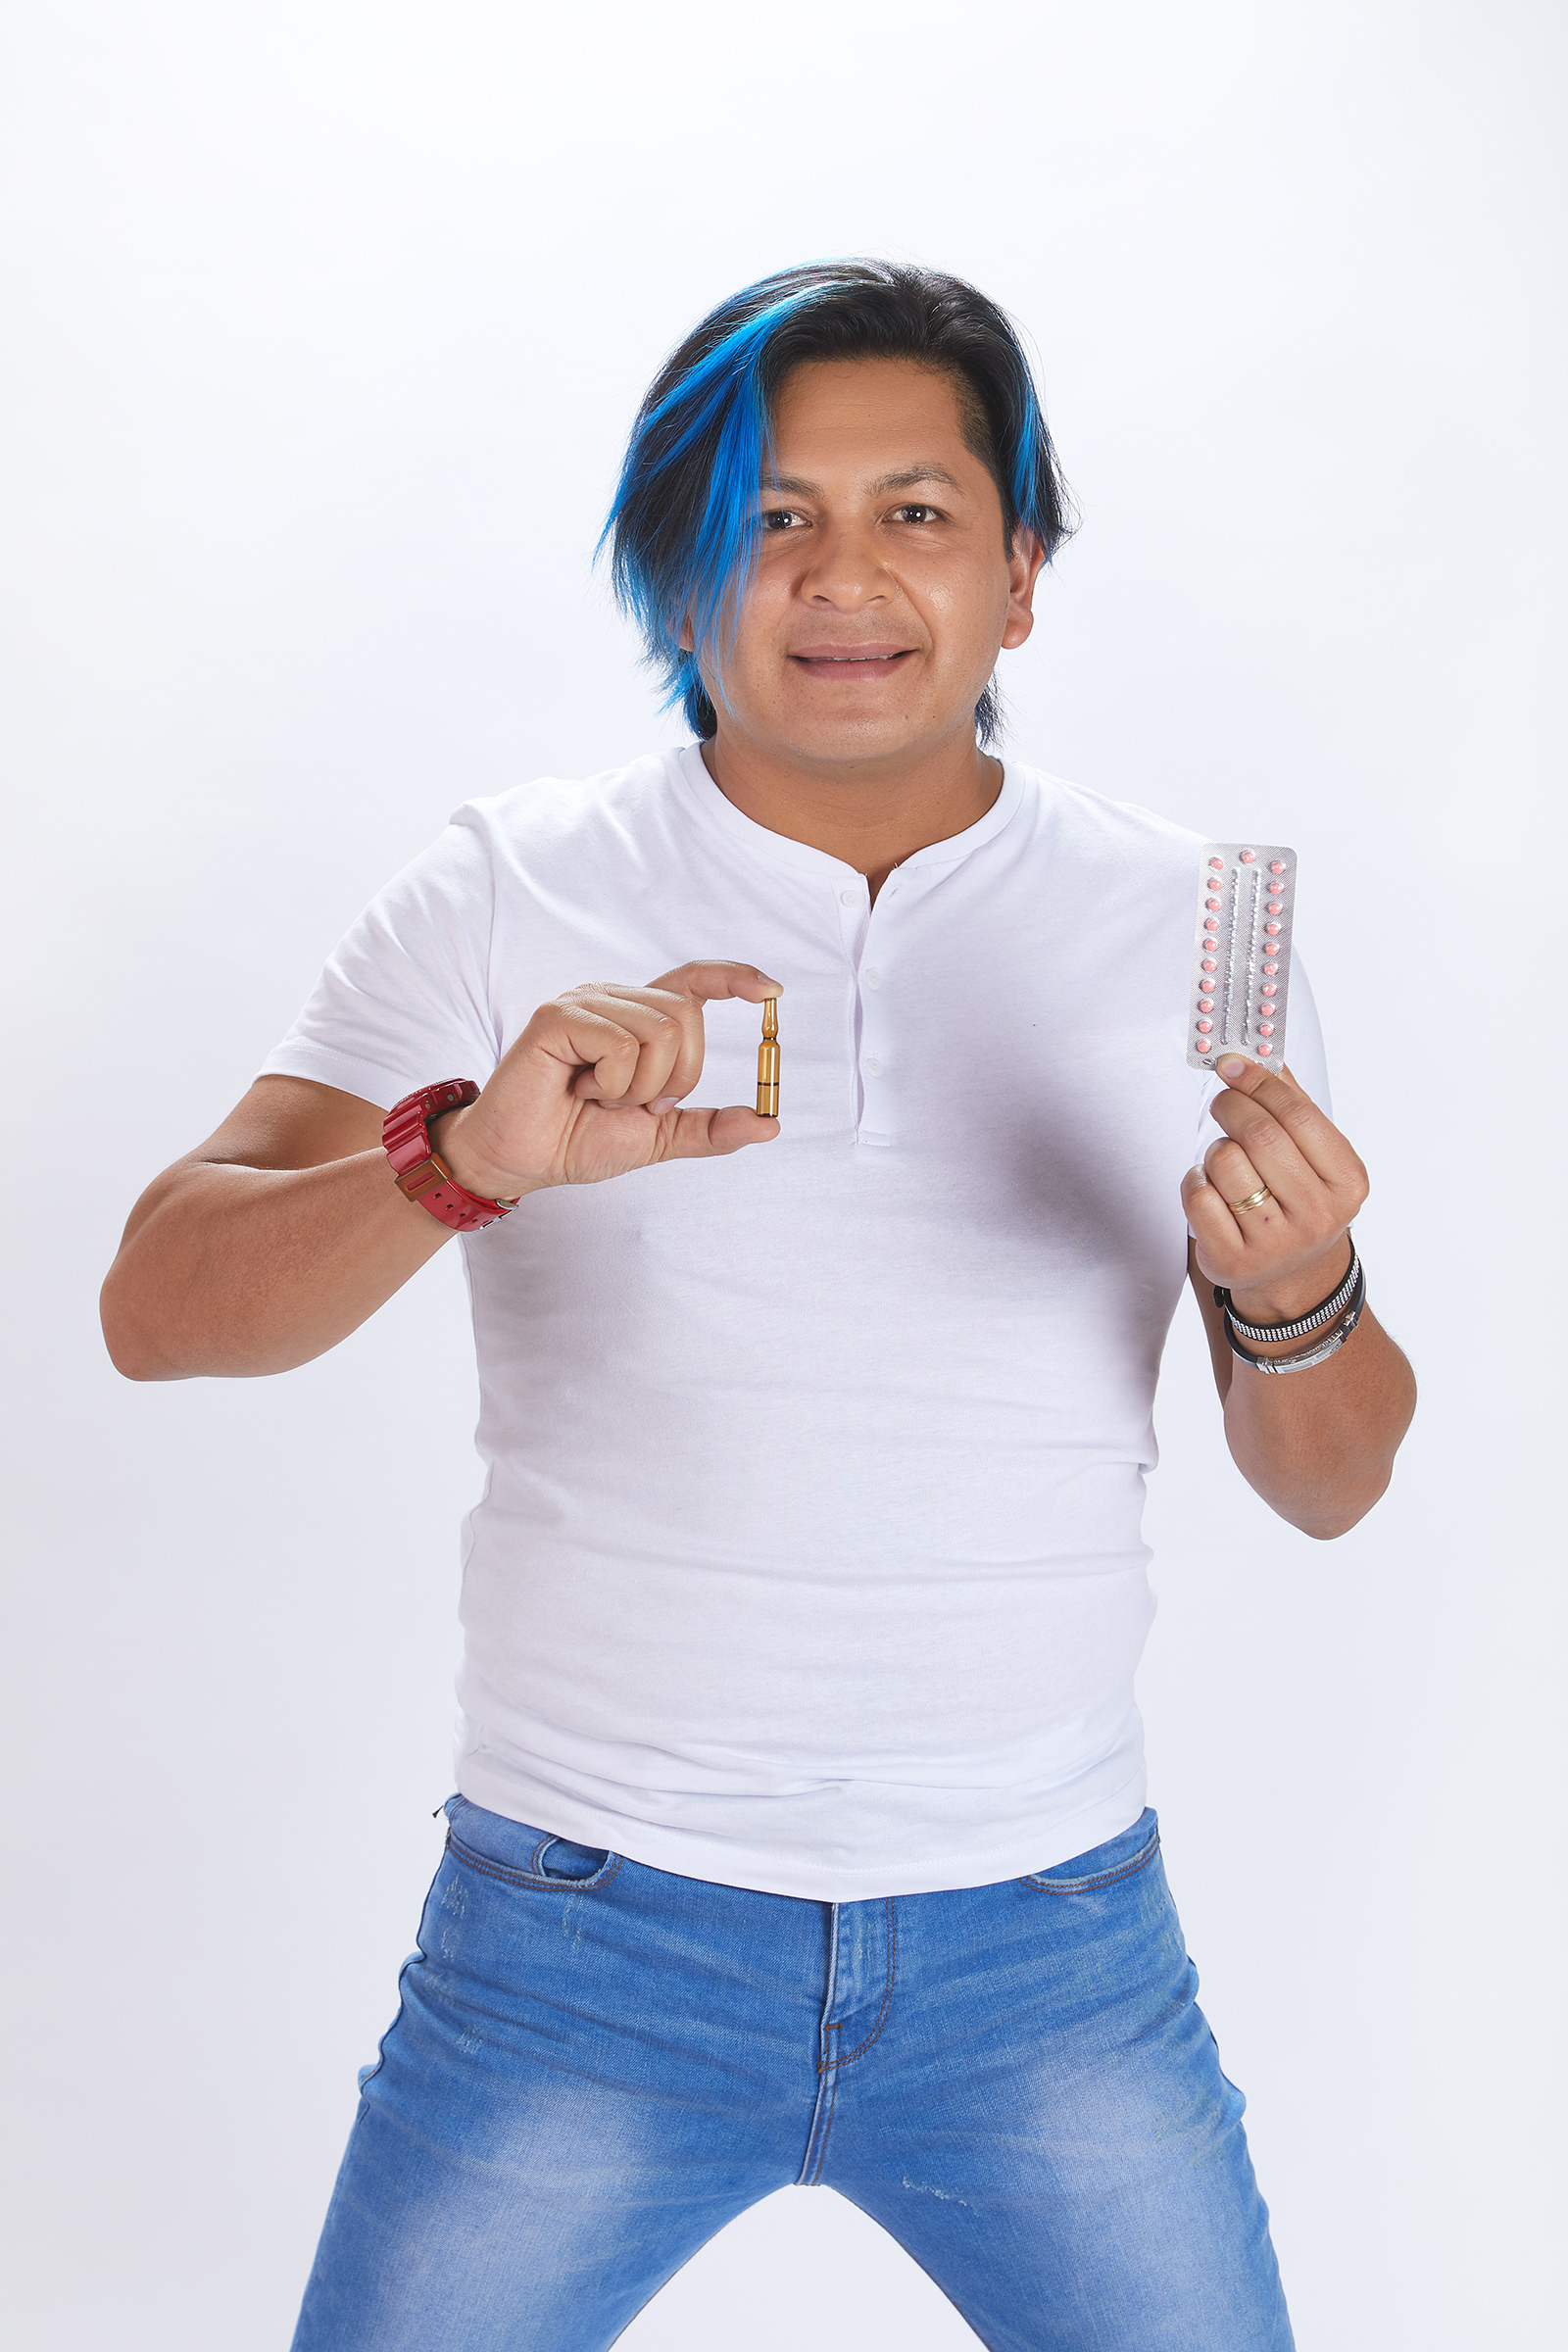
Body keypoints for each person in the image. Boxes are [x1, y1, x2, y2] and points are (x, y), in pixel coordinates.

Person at [101, 261, 1416, 2352]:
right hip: (578, 1936)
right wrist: (462, 1160)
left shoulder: (1188, 928)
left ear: (1020, 572)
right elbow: (159, 1305)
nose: (842, 576)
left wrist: (1291, 1290)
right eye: (770, 516)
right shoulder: (507, 888)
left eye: (916, 511)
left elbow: (1333, 1486)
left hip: (1051, 1942)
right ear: (678, 569)